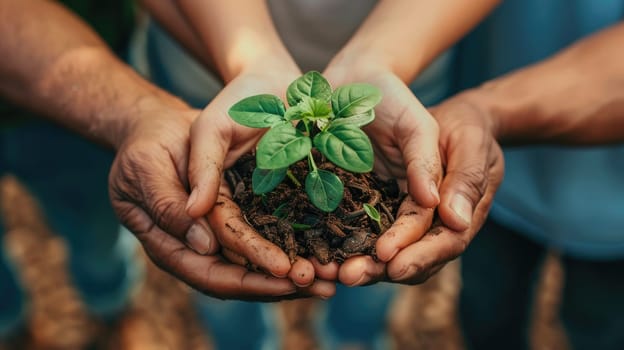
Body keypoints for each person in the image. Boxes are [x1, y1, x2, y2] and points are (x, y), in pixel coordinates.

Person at [138, 0, 503, 347]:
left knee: (383, 256)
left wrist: (381, 59)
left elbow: (354, 162)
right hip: (208, 80)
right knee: (218, 245)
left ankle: (353, 337)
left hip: (406, 76)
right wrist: (248, 59)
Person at [0, 0, 333, 339]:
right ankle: (10, 327)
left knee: (97, 234)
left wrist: (255, 61)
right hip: (80, 76)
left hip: (78, 91)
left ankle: (110, 308)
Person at [426, 1, 624, 349]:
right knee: (487, 310)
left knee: (598, 323)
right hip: (486, 173)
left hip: (612, 207)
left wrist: (484, 111)